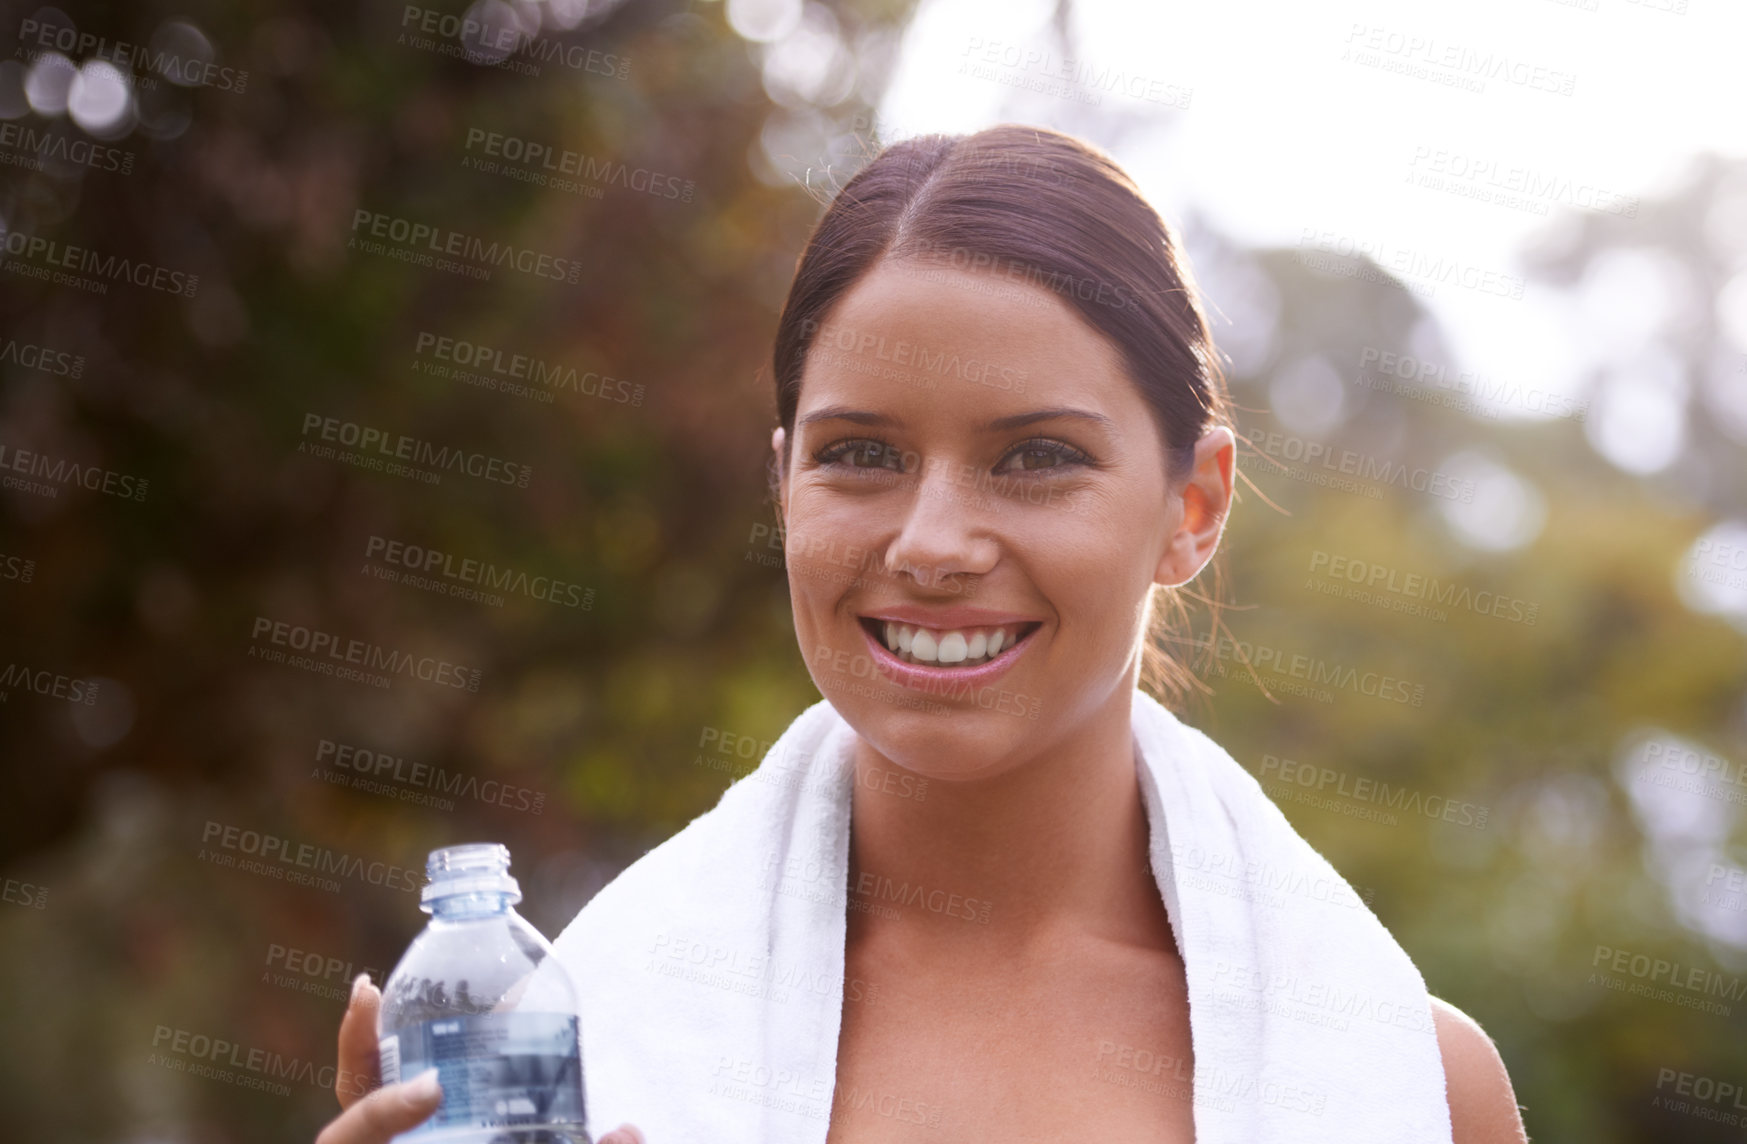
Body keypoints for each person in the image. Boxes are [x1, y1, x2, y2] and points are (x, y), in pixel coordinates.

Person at [315, 124, 1528, 1144]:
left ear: (1193, 507)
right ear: (785, 485)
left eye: (1036, 457)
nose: (932, 543)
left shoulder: (1415, 1088)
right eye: (863, 456)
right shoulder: (583, 1044)